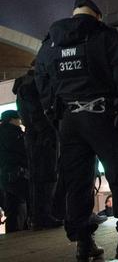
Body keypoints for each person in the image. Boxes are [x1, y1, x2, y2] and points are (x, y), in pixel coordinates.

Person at [35, 0, 118, 260]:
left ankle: (84, 243)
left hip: (69, 121)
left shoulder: (51, 42)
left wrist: (55, 115)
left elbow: (41, 80)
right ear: (98, 15)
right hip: (103, 116)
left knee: (77, 182)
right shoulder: (105, 35)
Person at [12, 63, 63, 230]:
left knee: (40, 177)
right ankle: (43, 216)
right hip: (41, 135)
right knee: (46, 176)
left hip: (36, 135)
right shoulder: (31, 85)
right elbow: (36, 112)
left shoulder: (25, 84)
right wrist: (48, 131)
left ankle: (40, 217)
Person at [0, 110, 29, 233]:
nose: (20, 122)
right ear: (12, 120)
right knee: (18, 208)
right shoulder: (12, 133)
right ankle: (17, 234)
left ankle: (13, 234)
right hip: (17, 175)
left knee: (12, 208)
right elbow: (23, 151)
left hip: (5, 176)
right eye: (18, 119)